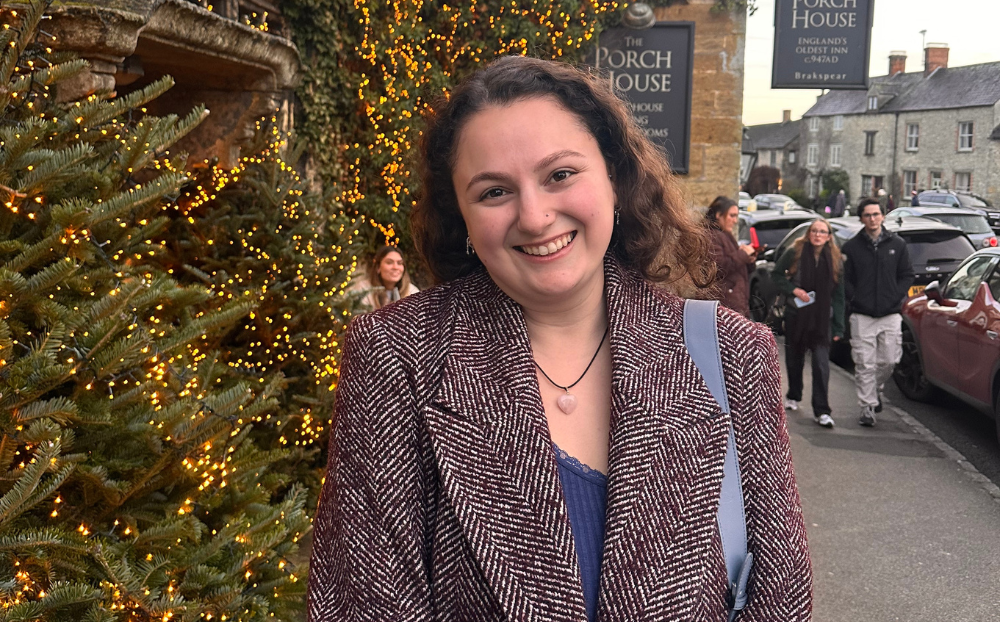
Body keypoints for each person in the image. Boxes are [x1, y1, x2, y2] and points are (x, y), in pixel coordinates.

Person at [307, 57, 811, 622]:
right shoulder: (398, 351)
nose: (535, 215)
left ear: (615, 180)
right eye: (494, 191)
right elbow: (362, 603)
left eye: (560, 175)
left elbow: (779, 597)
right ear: (464, 220)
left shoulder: (730, 353)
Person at [841, 198, 914, 426]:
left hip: (890, 313)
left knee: (889, 360)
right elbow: (845, 280)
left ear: (883, 216)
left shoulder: (897, 245)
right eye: (867, 215)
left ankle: (876, 389)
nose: (872, 219)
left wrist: (896, 296)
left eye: (876, 214)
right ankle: (867, 408)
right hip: (862, 315)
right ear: (861, 218)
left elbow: (907, 275)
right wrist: (856, 298)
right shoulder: (851, 247)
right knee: (864, 363)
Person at [772, 219, 845, 428]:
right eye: (814, 231)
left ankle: (822, 410)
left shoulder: (836, 260)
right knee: (795, 359)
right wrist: (794, 290)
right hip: (797, 315)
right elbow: (776, 275)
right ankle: (794, 394)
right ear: (808, 233)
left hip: (822, 320)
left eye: (822, 232)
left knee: (822, 365)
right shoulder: (795, 251)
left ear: (829, 237)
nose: (818, 235)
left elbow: (839, 294)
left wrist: (839, 326)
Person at [705, 195, 756, 317]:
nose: (735, 220)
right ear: (718, 215)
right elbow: (718, 267)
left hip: (733, 302)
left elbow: (737, 266)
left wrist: (749, 259)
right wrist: (743, 254)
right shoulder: (712, 235)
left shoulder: (725, 235)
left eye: (736, 216)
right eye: (732, 215)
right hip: (725, 305)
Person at [350, 245, 420, 311]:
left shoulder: (412, 292)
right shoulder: (364, 289)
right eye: (389, 262)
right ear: (378, 267)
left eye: (399, 263)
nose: (395, 267)